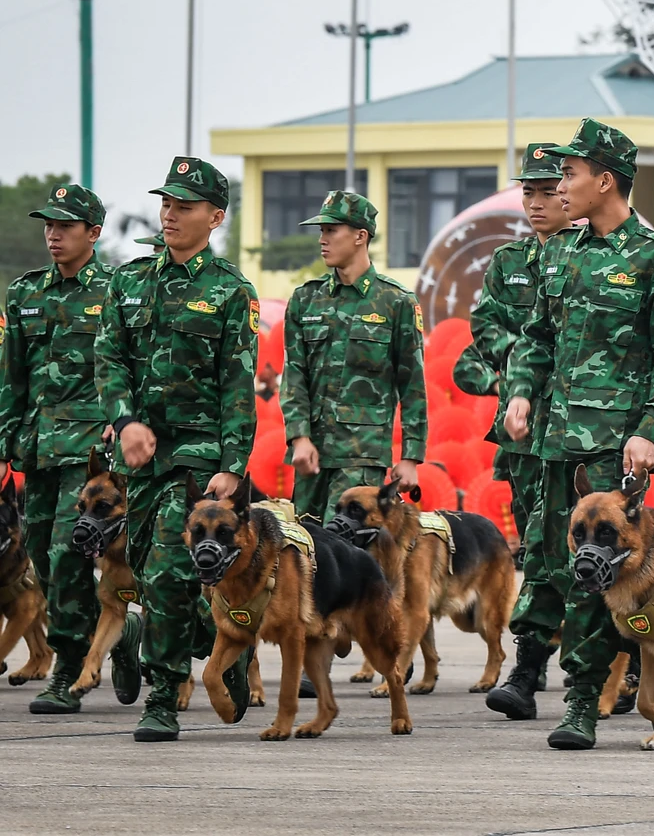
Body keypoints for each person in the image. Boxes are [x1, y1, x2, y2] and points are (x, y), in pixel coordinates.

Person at [502, 118, 654, 750]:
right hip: (557, 445)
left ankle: (581, 700)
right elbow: (536, 338)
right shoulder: (559, 251)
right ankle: (538, 672)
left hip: (616, 450)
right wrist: (523, 391)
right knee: (554, 563)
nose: (560, 186)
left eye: (571, 174)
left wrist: (650, 430)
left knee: (602, 571)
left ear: (605, 180)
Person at [96, 156, 259, 742]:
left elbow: (240, 385)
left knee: (167, 571)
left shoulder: (231, 292)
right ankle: (225, 647)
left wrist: (232, 467)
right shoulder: (127, 281)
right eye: (166, 203)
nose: (169, 213)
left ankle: (162, 696)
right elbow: (108, 359)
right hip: (136, 457)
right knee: (147, 572)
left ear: (214, 217)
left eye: (184, 206)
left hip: (196, 456)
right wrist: (127, 418)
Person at [1, 182, 141, 713]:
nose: (53, 234)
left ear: (94, 233)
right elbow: (11, 377)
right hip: (36, 449)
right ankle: (122, 636)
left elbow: (132, 367)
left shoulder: (117, 289)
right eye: (49, 225)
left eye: (65, 226)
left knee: (67, 556)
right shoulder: (24, 293)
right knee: (38, 556)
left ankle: (66, 670)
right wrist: (4, 442)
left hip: (90, 453)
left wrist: (123, 422)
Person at [458, 143, 569, 720]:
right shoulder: (509, 261)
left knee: (602, 546)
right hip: (529, 433)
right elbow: (485, 324)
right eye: (529, 191)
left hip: (591, 425)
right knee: (542, 543)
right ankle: (530, 665)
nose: (537, 201)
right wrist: (521, 367)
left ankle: (620, 663)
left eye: (549, 189)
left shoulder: (600, 258)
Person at [282, 191, 425, 522]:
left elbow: (413, 384)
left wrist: (410, 457)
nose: (322, 239)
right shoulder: (306, 300)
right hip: (311, 455)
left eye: (332, 230)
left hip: (362, 457)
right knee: (304, 549)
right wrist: (299, 437)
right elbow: (293, 375)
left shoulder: (396, 302)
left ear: (361, 236)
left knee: (349, 550)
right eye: (321, 231)